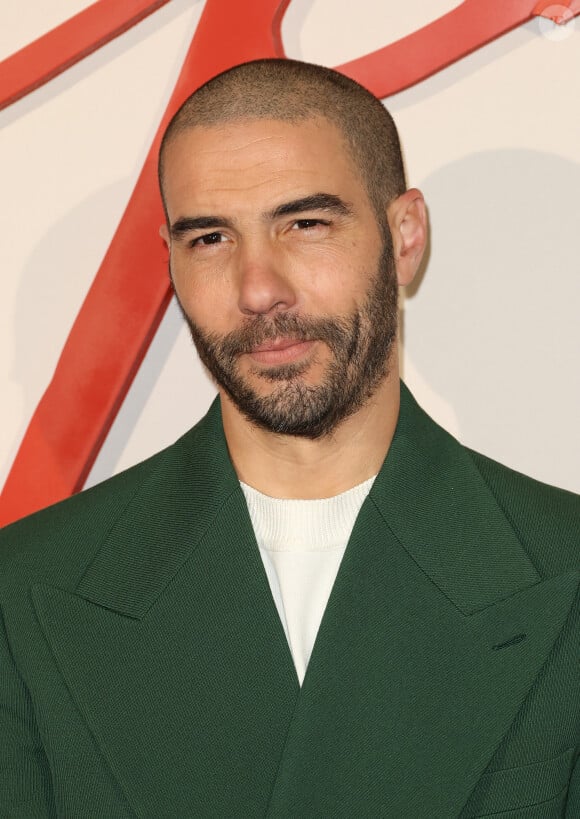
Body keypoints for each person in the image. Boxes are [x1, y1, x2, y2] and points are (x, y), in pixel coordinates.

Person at [0, 58, 578, 818]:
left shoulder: (559, 563)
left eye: (305, 223)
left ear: (404, 235)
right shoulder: (28, 588)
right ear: (171, 260)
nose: (258, 288)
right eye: (210, 238)